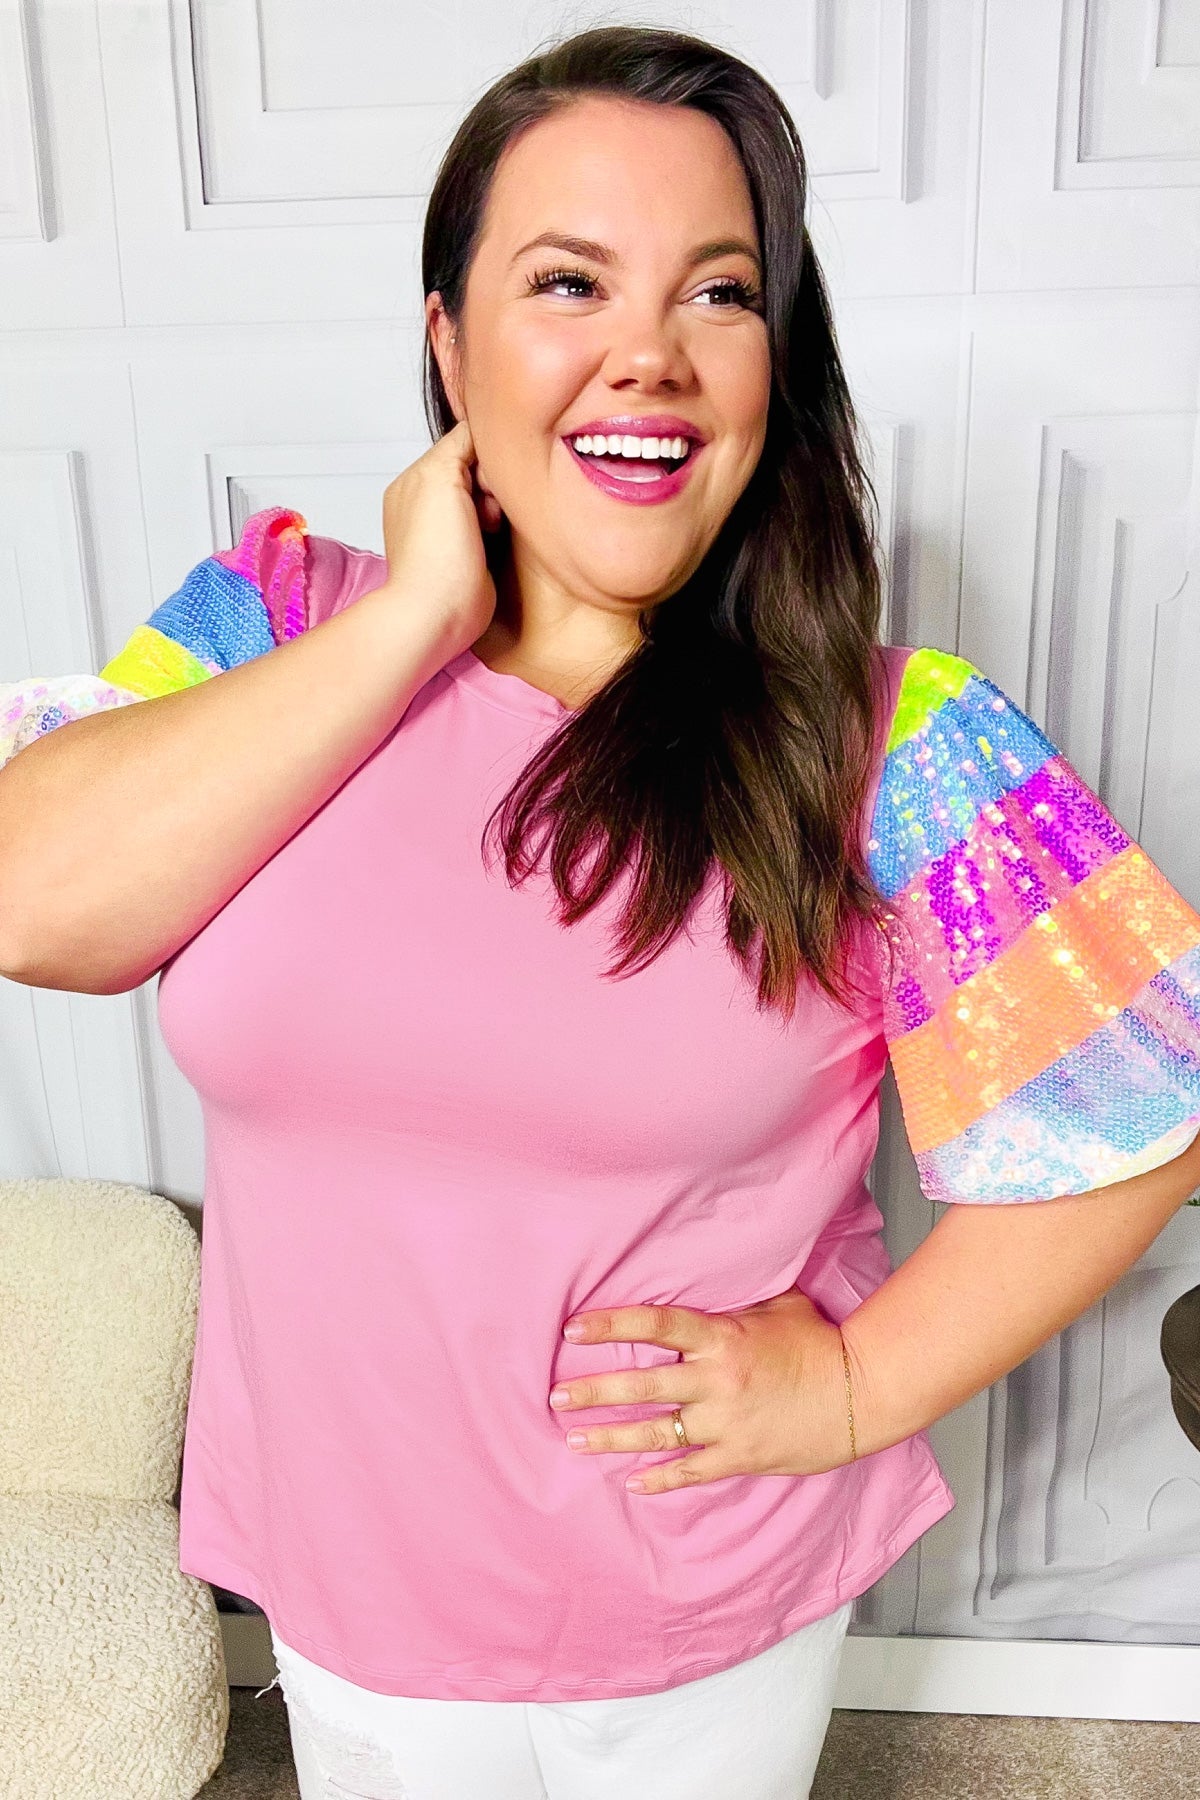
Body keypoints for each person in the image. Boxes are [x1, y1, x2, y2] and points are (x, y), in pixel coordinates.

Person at [2, 24, 1199, 1800]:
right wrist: (412, 623)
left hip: (699, 1601)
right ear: (449, 341)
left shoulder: (891, 735)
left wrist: (853, 1391)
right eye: (571, 282)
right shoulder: (274, 614)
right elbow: (36, 901)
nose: (652, 350)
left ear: (776, 360)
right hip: (343, 1574)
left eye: (721, 291)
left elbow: (1139, 1111)